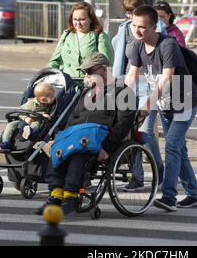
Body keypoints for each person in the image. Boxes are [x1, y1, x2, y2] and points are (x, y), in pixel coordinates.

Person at [36, 53, 136, 215]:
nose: (86, 75)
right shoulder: (87, 93)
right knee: (58, 151)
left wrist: (107, 148)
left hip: (100, 138)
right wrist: (64, 137)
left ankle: (70, 196)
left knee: (78, 154)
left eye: (90, 71)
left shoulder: (123, 92)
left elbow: (123, 124)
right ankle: (55, 196)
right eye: (85, 72)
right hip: (77, 135)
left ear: (104, 69)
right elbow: (72, 118)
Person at [125, 4, 197, 211]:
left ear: (153, 27)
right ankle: (194, 194)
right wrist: (121, 99)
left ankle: (169, 195)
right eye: (134, 25)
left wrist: (146, 104)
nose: (136, 30)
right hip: (164, 104)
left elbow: (167, 78)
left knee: (172, 146)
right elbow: (132, 75)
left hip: (183, 100)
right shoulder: (136, 45)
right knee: (179, 150)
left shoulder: (168, 45)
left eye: (142, 27)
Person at [111, 0, 165, 192]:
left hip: (152, 87)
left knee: (144, 132)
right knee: (131, 132)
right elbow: (119, 57)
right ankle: (138, 176)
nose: (129, 17)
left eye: (133, 12)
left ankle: (159, 170)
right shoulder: (124, 29)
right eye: (127, 12)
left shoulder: (157, 29)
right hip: (131, 84)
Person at [47, 2, 114, 78]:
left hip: (90, 85)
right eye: (75, 19)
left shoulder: (100, 36)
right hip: (67, 84)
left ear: (91, 19)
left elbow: (106, 64)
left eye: (82, 19)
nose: (78, 23)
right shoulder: (66, 35)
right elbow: (55, 61)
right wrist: (46, 75)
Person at [0, 82, 56, 152]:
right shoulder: (31, 104)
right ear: (43, 99)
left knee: (36, 124)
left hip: (36, 121)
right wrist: (26, 118)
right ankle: (5, 142)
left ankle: (29, 132)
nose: (54, 98)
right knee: (11, 125)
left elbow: (49, 115)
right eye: (51, 96)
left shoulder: (48, 105)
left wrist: (44, 115)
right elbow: (20, 112)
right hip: (24, 120)